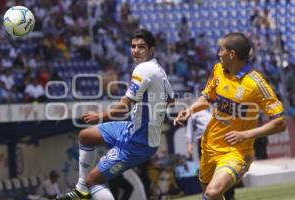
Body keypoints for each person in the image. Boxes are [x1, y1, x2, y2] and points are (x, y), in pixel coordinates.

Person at [56, 29, 174, 200]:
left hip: (138, 142)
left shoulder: (144, 69)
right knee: (85, 135)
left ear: (151, 50)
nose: (136, 50)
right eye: (133, 46)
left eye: (141, 47)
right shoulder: (159, 70)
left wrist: (100, 116)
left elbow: (123, 107)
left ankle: (84, 188)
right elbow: (170, 100)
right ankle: (81, 189)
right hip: (131, 129)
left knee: (94, 181)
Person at [174, 32, 286, 200]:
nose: (218, 53)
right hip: (209, 147)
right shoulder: (218, 70)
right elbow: (207, 98)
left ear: (232, 54)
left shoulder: (256, 84)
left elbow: (280, 123)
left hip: (237, 152)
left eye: (221, 49)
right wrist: (190, 110)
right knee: (210, 196)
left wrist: (245, 134)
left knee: (212, 193)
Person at [186, 109, 235, 200]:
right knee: (208, 172)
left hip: (221, 140)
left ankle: (230, 196)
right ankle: (209, 196)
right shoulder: (195, 112)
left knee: (226, 169)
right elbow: (190, 129)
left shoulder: (220, 107)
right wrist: (189, 144)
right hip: (204, 143)